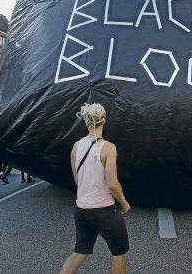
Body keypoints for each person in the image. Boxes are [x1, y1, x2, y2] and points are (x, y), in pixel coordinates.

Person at [59, 103, 130, 274]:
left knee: (79, 252)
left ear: (86, 122)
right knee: (118, 253)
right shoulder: (108, 147)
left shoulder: (76, 146)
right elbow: (112, 183)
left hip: (82, 210)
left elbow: (77, 178)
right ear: (104, 121)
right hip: (105, 211)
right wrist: (124, 202)